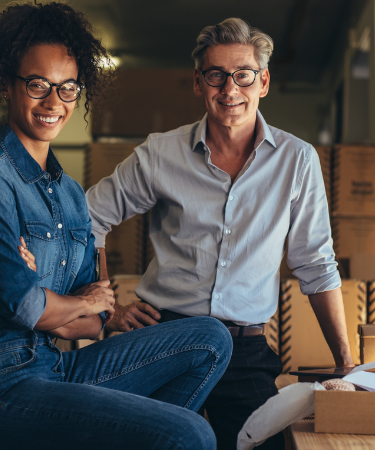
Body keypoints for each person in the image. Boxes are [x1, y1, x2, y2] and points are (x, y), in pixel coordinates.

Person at [0, 4, 231, 449]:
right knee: (189, 433)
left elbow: (93, 324)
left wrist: (60, 302)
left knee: (211, 339)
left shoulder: (72, 194)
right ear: (7, 83)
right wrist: (62, 303)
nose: (54, 102)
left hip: (55, 369)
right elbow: (26, 308)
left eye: (68, 88)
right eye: (38, 84)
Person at [86, 17, 354, 450]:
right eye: (216, 75)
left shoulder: (297, 160)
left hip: (244, 352)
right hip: (164, 340)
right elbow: (88, 219)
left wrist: (345, 361)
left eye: (243, 75)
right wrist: (106, 308)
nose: (230, 90)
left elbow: (316, 264)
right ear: (198, 82)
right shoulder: (160, 153)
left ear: (263, 81)